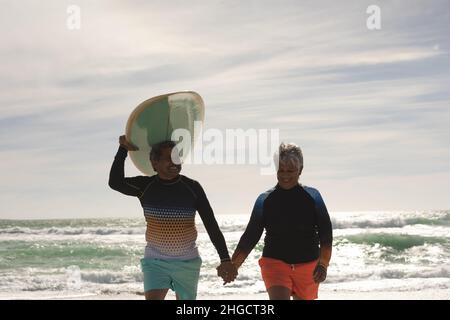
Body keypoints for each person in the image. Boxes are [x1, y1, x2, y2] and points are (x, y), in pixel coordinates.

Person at [109, 135, 237, 300]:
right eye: (168, 158)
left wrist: (225, 259)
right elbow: (115, 182)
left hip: (187, 262)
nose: (175, 162)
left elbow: (211, 224)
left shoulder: (192, 188)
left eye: (177, 157)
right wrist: (123, 149)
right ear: (154, 163)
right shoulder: (145, 186)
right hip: (155, 261)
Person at [231, 142, 332, 300]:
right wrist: (234, 264)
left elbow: (326, 234)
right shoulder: (265, 200)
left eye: (290, 170)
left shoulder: (313, 197)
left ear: (301, 170)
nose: (285, 175)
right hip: (274, 263)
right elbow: (251, 235)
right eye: (281, 170)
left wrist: (323, 264)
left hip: (308, 266)